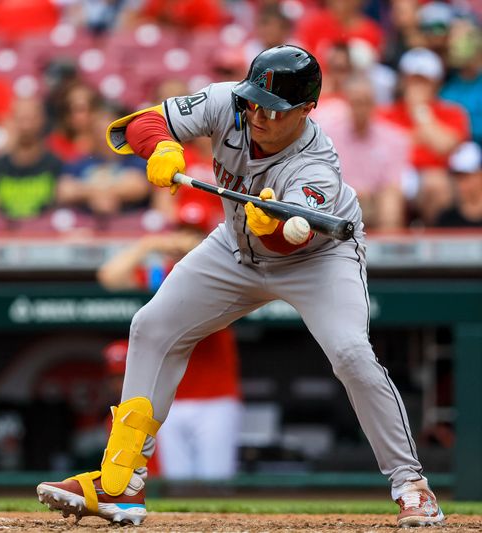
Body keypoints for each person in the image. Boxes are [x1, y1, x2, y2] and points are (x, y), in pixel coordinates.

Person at [37, 45, 444, 528]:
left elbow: (292, 242)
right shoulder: (228, 101)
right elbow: (137, 124)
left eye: (273, 109)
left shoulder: (317, 166)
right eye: (254, 101)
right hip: (233, 244)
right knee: (152, 325)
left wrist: (273, 224)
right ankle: (123, 481)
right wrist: (163, 146)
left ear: (306, 110)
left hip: (317, 258)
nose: (257, 114)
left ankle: (411, 484)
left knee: (352, 354)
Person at [97, 196, 241, 480]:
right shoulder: (160, 275)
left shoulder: (225, 274)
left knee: (216, 482)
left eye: (195, 233)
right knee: (178, 485)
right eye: (181, 231)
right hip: (169, 399)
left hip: (216, 397)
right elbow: (110, 277)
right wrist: (148, 245)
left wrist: (196, 249)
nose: (184, 240)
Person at [378, 47, 470, 225]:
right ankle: (390, 250)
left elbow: (444, 146)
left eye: (423, 82)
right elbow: (386, 150)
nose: (417, 87)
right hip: (396, 176)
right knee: (390, 194)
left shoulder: (452, 112)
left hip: (437, 178)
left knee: (435, 184)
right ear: (403, 81)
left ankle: (437, 249)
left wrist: (421, 112)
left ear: (436, 84)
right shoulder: (386, 113)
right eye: (412, 80)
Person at [315, 75, 409, 230]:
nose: (361, 109)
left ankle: (387, 250)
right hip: (339, 198)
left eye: (366, 102)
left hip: (375, 199)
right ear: (348, 104)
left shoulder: (393, 138)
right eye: (356, 103)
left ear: (374, 104)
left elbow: (393, 182)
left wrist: (367, 194)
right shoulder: (328, 136)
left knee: (390, 200)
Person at [0, 97, 63, 220]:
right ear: (11, 121)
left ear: (42, 121)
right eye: (20, 119)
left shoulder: (56, 164)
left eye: (31, 118)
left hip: (43, 234)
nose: (26, 126)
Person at [435, 142, 482, 227]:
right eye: (457, 177)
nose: (460, 183)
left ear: (480, 175)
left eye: (465, 176)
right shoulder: (446, 218)